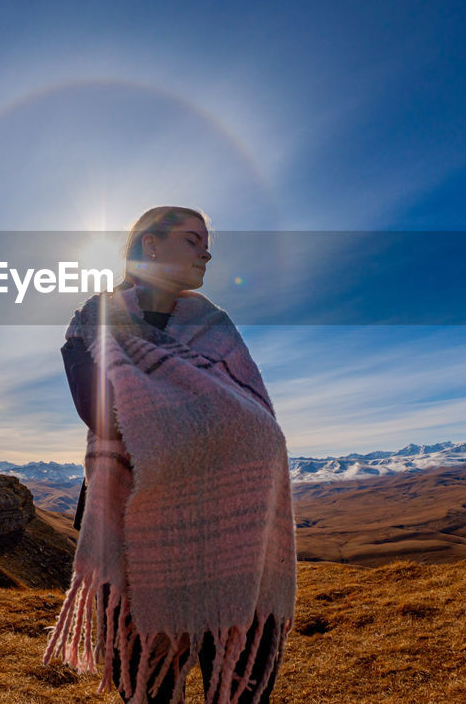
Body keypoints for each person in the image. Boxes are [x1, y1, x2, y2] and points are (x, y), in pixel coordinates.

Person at [42, 206, 296, 704]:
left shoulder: (214, 326)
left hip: (235, 534)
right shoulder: (95, 321)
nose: (205, 252)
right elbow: (107, 417)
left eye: (207, 244)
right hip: (137, 527)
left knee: (240, 682)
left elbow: (258, 418)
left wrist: (192, 427)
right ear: (151, 245)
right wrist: (209, 427)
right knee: (148, 686)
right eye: (191, 239)